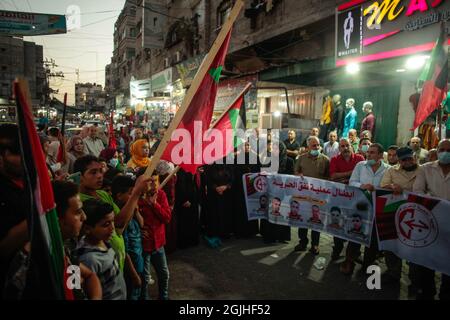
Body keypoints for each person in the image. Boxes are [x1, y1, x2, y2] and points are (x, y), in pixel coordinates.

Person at [74, 155, 150, 273]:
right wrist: (136, 193)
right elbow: (119, 223)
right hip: (100, 265)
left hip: (116, 259)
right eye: (93, 172)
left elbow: (119, 227)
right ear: (80, 177)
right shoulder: (80, 202)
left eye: (100, 171)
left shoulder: (102, 194)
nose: (99, 176)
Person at [340, 143, 389, 275]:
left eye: (373, 152)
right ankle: (349, 261)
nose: (369, 154)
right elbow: (352, 182)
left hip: (377, 209)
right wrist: (362, 185)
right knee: (355, 234)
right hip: (360, 206)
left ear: (380, 155)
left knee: (373, 240)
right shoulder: (360, 166)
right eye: (368, 152)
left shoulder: (388, 169)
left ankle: (367, 265)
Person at [413, 139, 450, 300]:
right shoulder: (425, 169)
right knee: (427, 261)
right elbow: (417, 192)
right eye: (442, 149)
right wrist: (437, 203)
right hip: (429, 221)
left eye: (449, 150)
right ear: (437, 150)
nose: (445, 153)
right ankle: (427, 292)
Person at [52, 180, 102, 300]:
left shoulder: (64, 249)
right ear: (57, 218)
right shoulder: (38, 264)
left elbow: (89, 276)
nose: (84, 217)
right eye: (78, 212)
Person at [380, 146, 420, 286]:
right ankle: (393, 272)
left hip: (418, 216)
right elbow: (382, 187)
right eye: (404, 160)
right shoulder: (391, 170)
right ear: (399, 160)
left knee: (416, 246)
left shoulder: (424, 171)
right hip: (395, 213)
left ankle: (415, 279)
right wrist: (391, 187)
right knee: (392, 243)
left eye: (410, 158)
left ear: (414, 157)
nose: (407, 162)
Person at [77, 199, 127, 300]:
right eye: (106, 224)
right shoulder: (89, 259)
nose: (112, 228)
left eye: (112, 221)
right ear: (87, 229)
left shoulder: (102, 240)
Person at [0, 124, 28, 298]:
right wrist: (43, 209)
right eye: (19, 152)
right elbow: (3, 248)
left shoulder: (32, 181)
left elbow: (75, 271)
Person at [329, 138, 365, 260]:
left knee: (356, 223)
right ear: (339, 149)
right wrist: (353, 173)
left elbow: (362, 177)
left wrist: (344, 176)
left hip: (356, 197)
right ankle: (337, 249)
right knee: (339, 222)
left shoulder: (360, 159)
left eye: (347, 146)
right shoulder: (334, 159)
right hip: (340, 197)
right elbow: (333, 176)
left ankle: (355, 253)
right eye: (342, 146)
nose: (345, 148)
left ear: (352, 146)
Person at [137, 173, 171, 300]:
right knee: (144, 278)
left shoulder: (161, 194)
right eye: (151, 181)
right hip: (144, 245)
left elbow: (167, 217)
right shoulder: (136, 198)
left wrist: (154, 204)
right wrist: (138, 231)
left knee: (164, 274)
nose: (154, 185)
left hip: (158, 242)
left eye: (156, 181)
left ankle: (164, 297)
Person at [294, 136, 330, 255]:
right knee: (303, 218)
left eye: (318, 145)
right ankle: (302, 242)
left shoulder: (325, 160)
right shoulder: (301, 158)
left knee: (316, 220)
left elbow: (329, 178)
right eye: (314, 145)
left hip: (318, 196)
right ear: (308, 147)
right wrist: (299, 175)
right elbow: (295, 172)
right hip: (303, 195)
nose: (316, 147)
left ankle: (315, 245)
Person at [175, 168, 200, 248]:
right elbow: (180, 185)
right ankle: (186, 242)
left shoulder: (193, 168)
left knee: (192, 220)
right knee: (186, 221)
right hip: (185, 200)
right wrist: (184, 200)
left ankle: (192, 240)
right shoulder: (181, 169)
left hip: (193, 199)